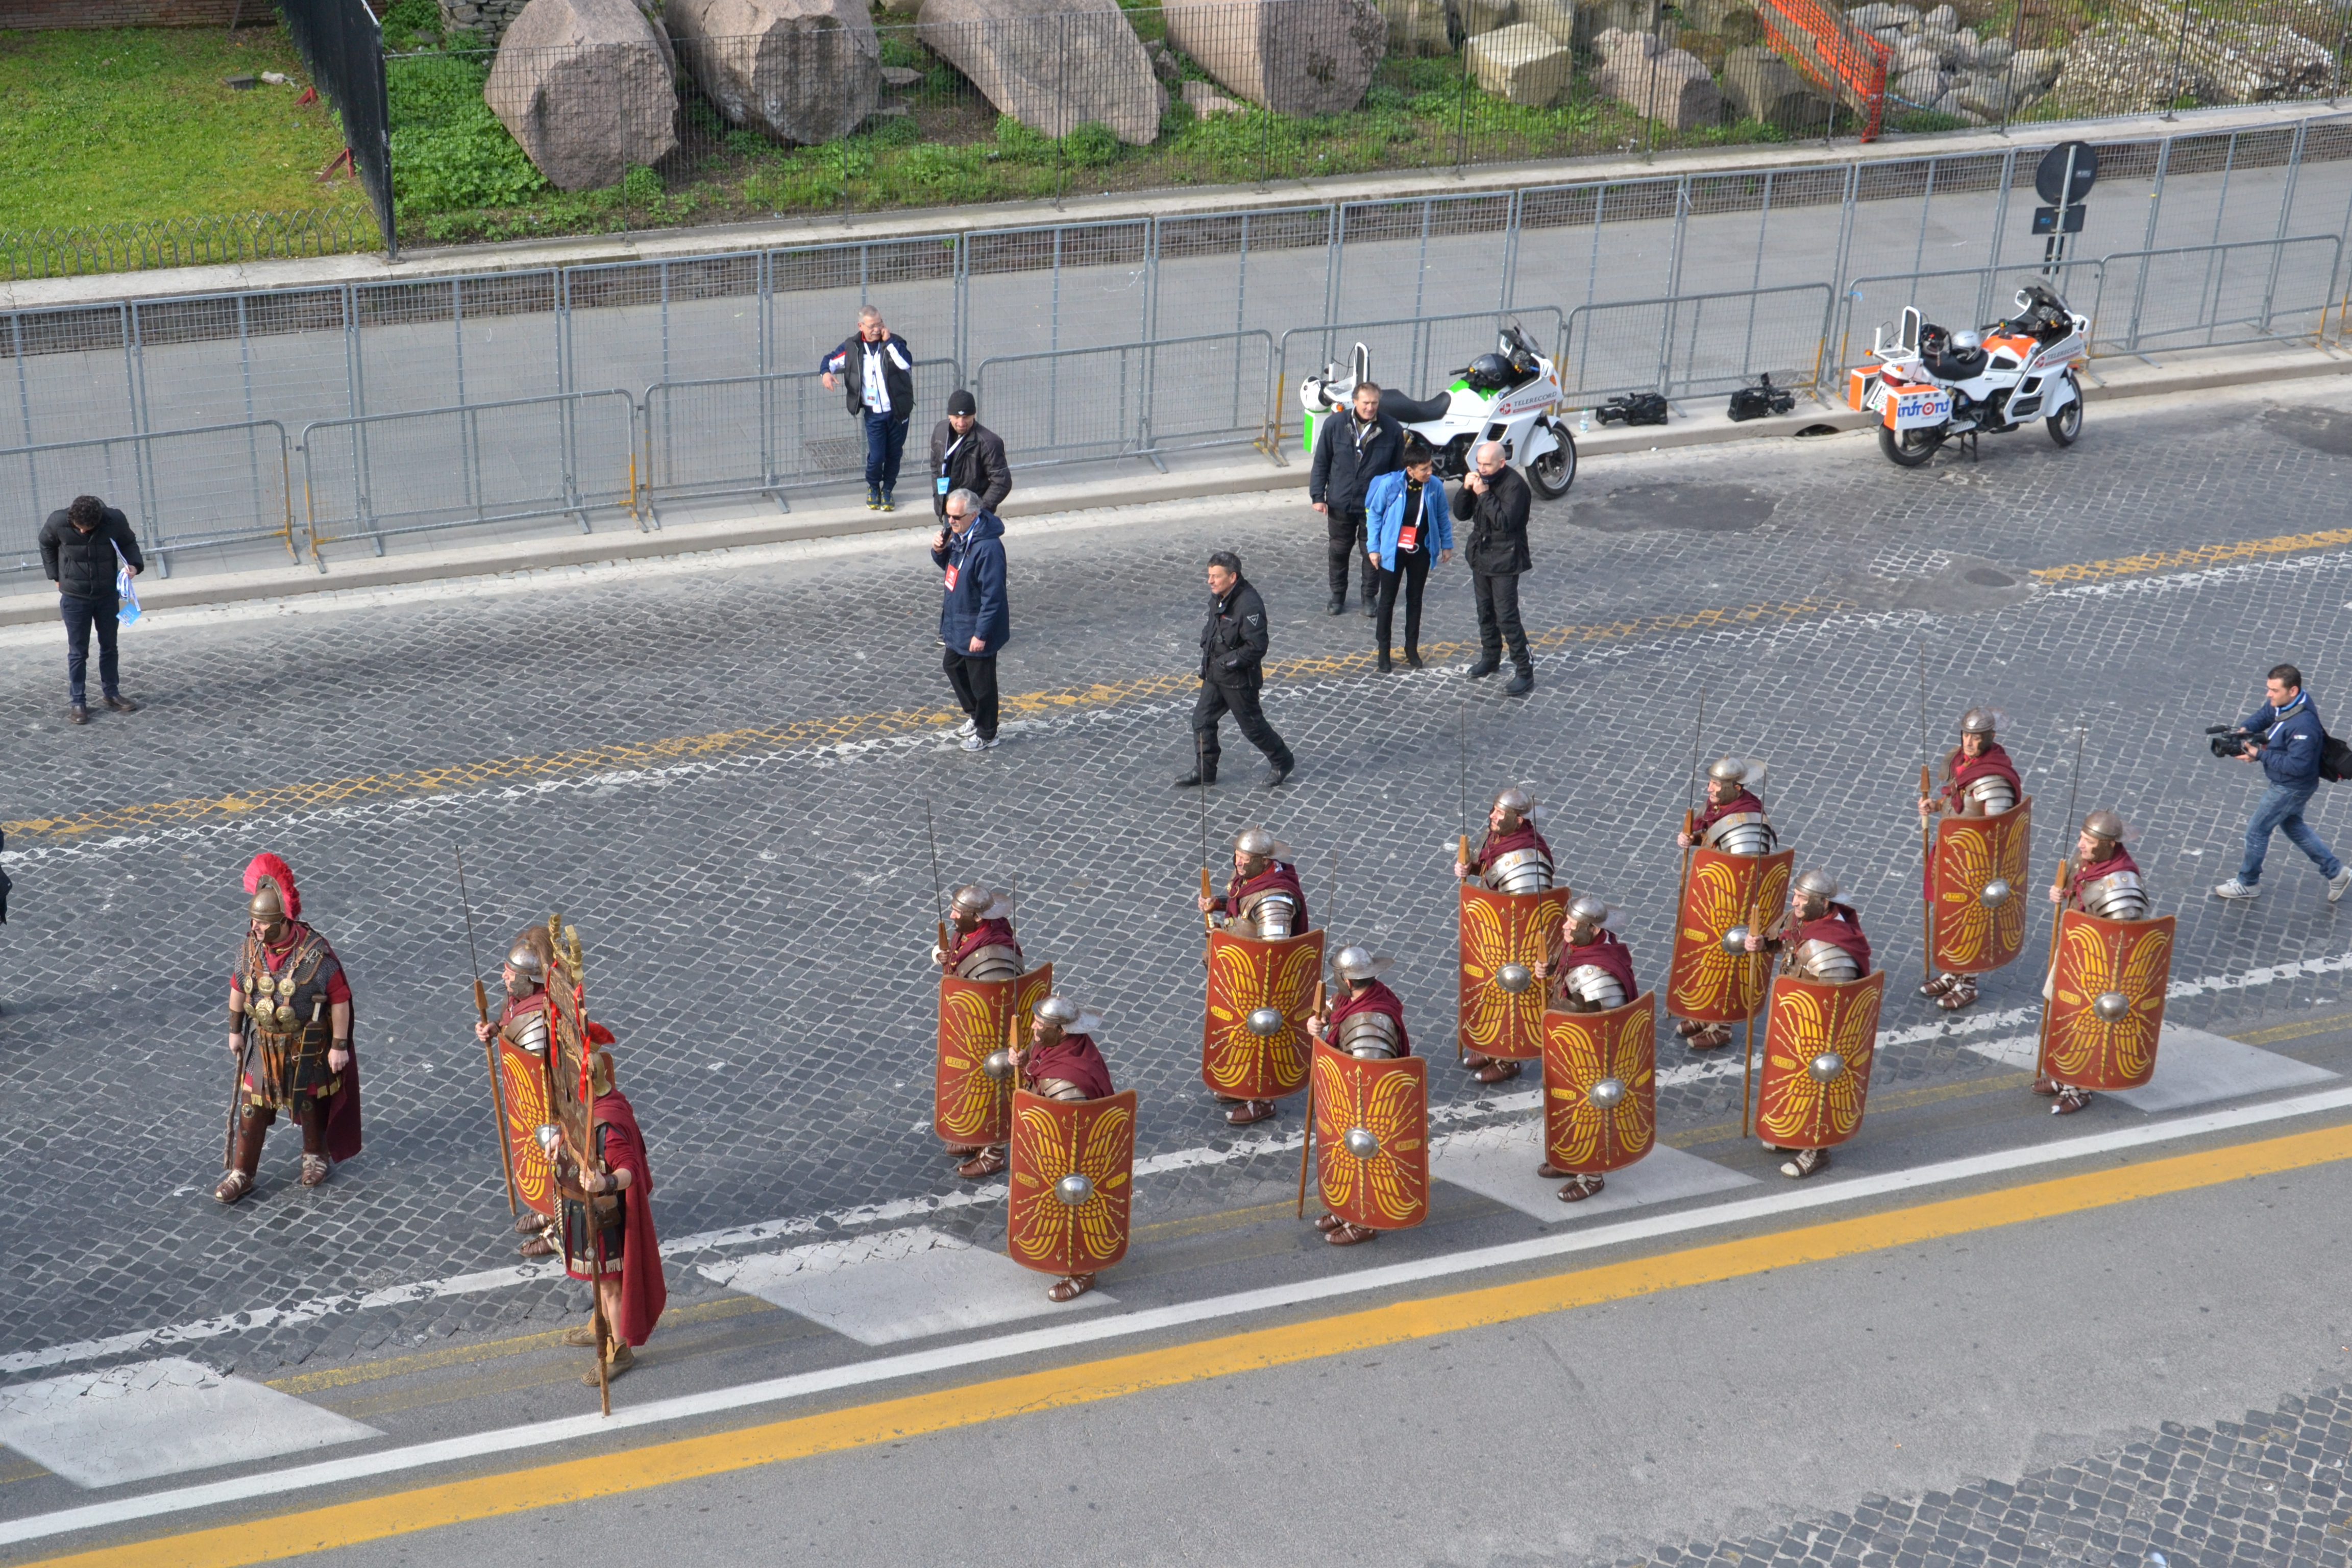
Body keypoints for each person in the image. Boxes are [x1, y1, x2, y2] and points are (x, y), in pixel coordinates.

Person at [216, 854, 359, 1204]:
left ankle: (315, 1155)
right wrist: (235, 1030)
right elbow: (238, 986)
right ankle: (241, 1172)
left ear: (281, 922)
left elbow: (339, 997)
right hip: (262, 1043)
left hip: (304, 1044)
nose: (256, 929)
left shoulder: (315, 955)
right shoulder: (250, 950)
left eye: (263, 924)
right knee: (253, 1106)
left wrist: (338, 1045)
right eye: (254, 922)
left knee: (311, 1101)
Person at [551, 1040, 665, 1385]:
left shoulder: (607, 1124)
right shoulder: (597, 1105)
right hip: (584, 1210)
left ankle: (619, 1349)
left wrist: (606, 1179)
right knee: (599, 1282)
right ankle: (598, 1326)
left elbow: (628, 1168)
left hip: (607, 1220)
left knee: (612, 1289)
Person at [1743, 869, 1871, 1179]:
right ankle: (1795, 1132)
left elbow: (1838, 1003)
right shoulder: (1802, 919)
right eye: (1796, 896)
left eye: (1802, 898)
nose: (1795, 902)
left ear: (1823, 903)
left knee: (1817, 1080)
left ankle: (1817, 1149)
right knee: (1790, 1075)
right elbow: (1783, 944)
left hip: (1821, 1030)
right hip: (1796, 1017)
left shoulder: (1832, 948)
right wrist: (1759, 943)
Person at [1197, 826, 1311, 1126]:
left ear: (1264, 861)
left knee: (1260, 1033)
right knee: (1239, 1033)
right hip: (1240, 976)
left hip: (1262, 986)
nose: (1239, 864)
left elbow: (1274, 956)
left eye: (1246, 859)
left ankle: (1260, 1099)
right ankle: (1240, 1084)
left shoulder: (1275, 901)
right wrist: (1219, 903)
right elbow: (1243, 908)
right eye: (1237, 856)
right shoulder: (1252, 879)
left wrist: (1228, 944)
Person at [2039, 809, 2149, 1114]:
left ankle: (2081, 1087)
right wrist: (2059, 894)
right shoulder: (2086, 862)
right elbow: (2076, 893)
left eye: (2088, 841)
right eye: (2081, 838)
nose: (2080, 845)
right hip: (2073, 953)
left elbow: (2123, 941)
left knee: (2085, 1026)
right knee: (2061, 1015)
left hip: (2097, 970)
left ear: (2108, 845)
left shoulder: (2122, 885)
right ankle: (2062, 1076)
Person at [1011, 996, 1119, 1301]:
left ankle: (1082, 1271)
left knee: (1073, 1202)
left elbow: (1069, 1135)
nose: (1033, 1026)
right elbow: (1038, 1064)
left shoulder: (1065, 1084)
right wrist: (1023, 1063)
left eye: (1041, 1025)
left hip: (1073, 1158)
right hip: (1059, 1147)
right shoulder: (1062, 1048)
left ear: (1061, 1032)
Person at [1916, 707, 2024, 1011]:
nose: (1969, 742)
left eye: (1976, 738)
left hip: (1976, 865)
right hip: (1951, 854)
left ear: (1990, 738)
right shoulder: (1960, 762)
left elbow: (1996, 832)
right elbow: (1956, 802)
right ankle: (1952, 972)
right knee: (1949, 914)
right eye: (1966, 735)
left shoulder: (1995, 781)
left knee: (1972, 921)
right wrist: (1934, 806)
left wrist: (1983, 871)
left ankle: (1969, 982)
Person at [2214, 663, 2351, 902]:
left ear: (2293, 690)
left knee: (2257, 832)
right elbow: (2266, 714)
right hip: (2289, 785)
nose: (2269, 694)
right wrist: (2244, 731)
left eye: (2274, 690)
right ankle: (2336, 872)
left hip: (2291, 788)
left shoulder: (2304, 727)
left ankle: (2248, 883)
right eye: (2269, 689)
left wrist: (2259, 755)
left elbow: (2299, 766)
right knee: (2293, 826)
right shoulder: (2286, 703)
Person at [1531, 893, 1637, 1201]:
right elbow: (1564, 973)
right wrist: (1547, 971)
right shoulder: (1580, 945)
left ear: (1592, 930)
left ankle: (1591, 1176)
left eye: (1572, 924)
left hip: (1591, 1054)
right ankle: (1570, 1157)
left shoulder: (1599, 972)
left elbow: (1602, 1020)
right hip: (1568, 1046)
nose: (1565, 927)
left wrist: (1557, 1011)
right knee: (1563, 1103)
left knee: (1587, 1108)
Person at [1304, 946, 1412, 1245]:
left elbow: (1369, 1079)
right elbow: (1335, 1007)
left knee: (1360, 1149)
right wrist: (1320, 1018)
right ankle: (1345, 1207)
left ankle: (1364, 1219)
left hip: (1367, 1106)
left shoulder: (1369, 1024)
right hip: (1345, 1100)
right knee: (1342, 1152)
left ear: (1348, 981)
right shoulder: (1357, 997)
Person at [1453, 786, 1558, 1084]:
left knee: (1512, 990)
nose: (1493, 816)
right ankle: (1491, 1045)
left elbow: (1527, 912)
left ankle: (1509, 1059)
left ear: (1519, 821)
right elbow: (1492, 871)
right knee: (1493, 992)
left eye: (1501, 813)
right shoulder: (1499, 837)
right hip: (1496, 933)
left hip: (1517, 943)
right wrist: (1470, 868)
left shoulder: (1527, 858)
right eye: (1494, 810)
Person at [1670, 758, 1776, 1049]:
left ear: (1736, 788)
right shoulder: (1717, 807)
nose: (1710, 789)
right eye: (1711, 783)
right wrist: (1690, 837)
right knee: (1704, 955)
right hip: (1711, 898)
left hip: (1733, 907)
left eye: (1717, 785)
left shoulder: (1749, 822)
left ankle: (1723, 1025)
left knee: (1727, 958)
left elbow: (1746, 874)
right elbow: (1709, 838)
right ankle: (1704, 1013)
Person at [1177, 551, 1294, 790]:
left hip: (1238, 679)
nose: (1210, 581)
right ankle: (1205, 772)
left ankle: (1283, 761)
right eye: (1209, 575)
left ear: (1233, 577)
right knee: (1202, 721)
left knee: (1252, 726)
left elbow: (1257, 647)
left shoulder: (1249, 605)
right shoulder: (1220, 595)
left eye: (1215, 577)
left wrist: (1227, 662)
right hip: (1215, 674)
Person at [476, 928, 560, 1257]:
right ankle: (546, 1207)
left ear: (530, 980)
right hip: (530, 1108)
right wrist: (494, 1028)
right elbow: (510, 1020)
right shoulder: (520, 1001)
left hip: (550, 1108)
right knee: (539, 1156)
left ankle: (559, 1227)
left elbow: (540, 1071)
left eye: (510, 974)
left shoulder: (538, 1021)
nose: (504, 977)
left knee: (555, 1159)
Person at [935, 884, 1025, 1179]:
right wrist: (943, 957)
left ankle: (995, 1153)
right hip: (970, 1028)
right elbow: (960, 961)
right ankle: (973, 1134)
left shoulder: (995, 954)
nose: (952, 915)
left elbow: (998, 1002)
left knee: (996, 1080)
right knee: (968, 1079)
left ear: (977, 917)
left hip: (991, 1034)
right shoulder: (971, 932)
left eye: (958, 912)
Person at [38, 493, 143, 725]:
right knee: (78, 652)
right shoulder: (58, 521)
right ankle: (78, 701)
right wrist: (55, 575)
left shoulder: (114, 520)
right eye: (79, 528)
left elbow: (128, 542)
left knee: (109, 646)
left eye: (88, 527)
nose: (83, 532)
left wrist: (134, 565)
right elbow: (46, 543)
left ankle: (111, 692)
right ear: (71, 520)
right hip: (75, 597)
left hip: (107, 594)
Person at [1308, 382, 1402, 617]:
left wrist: (1393, 501)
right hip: (1341, 501)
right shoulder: (1335, 425)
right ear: (1355, 401)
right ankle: (1337, 596)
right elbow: (1322, 462)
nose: (1370, 408)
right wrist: (1318, 496)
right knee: (1338, 551)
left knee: (1371, 552)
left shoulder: (1392, 429)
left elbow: (1398, 470)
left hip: (1374, 505)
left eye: (1375, 403)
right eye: (1366, 403)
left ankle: (1369, 597)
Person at [1362, 436, 1454, 672]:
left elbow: (1443, 515)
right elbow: (1374, 515)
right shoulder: (1391, 486)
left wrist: (1446, 544)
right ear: (1410, 470)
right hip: (1393, 552)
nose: (1430, 472)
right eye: (1424, 469)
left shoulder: (1434, 487)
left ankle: (1411, 648)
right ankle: (1384, 651)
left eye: (1430, 467)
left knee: (1415, 600)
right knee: (1387, 602)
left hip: (1420, 550)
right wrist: (1373, 548)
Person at [1452, 442, 1535, 695]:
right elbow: (1461, 514)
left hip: (1506, 558)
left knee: (1506, 616)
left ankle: (1524, 669)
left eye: (1487, 464)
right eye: (1479, 463)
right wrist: (1467, 490)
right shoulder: (1479, 481)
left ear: (1501, 463)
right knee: (1485, 611)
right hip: (1482, 556)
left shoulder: (1515, 487)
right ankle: (1491, 657)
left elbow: (1504, 522)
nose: (1481, 469)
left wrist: (1483, 494)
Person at [931, 487, 1009, 754]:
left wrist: (982, 634)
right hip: (959, 620)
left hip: (976, 626)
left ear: (974, 514)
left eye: (956, 517)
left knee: (983, 683)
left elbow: (993, 596)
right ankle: (976, 716)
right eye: (948, 516)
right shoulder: (961, 535)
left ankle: (988, 732)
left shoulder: (988, 548)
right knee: (952, 665)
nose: (950, 521)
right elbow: (953, 567)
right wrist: (939, 550)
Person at [819, 306, 917, 511]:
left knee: (894, 454)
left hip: (898, 411)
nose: (877, 329)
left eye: (880, 324)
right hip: (873, 414)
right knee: (877, 455)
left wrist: (888, 342)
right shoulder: (853, 346)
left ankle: (888, 489)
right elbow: (830, 360)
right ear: (860, 326)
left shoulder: (895, 342)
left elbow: (905, 364)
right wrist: (826, 373)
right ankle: (873, 487)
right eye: (872, 326)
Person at [929, 389, 1011, 524]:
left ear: (974, 415)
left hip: (973, 517)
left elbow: (1002, 482)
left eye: (966, 417)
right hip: (948, 509)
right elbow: (935, 466)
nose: (961, 423)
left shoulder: (989, 443)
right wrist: (938, 495)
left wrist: (977, 511)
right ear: (949, 415)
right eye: (956, 417)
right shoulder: (940, 431)